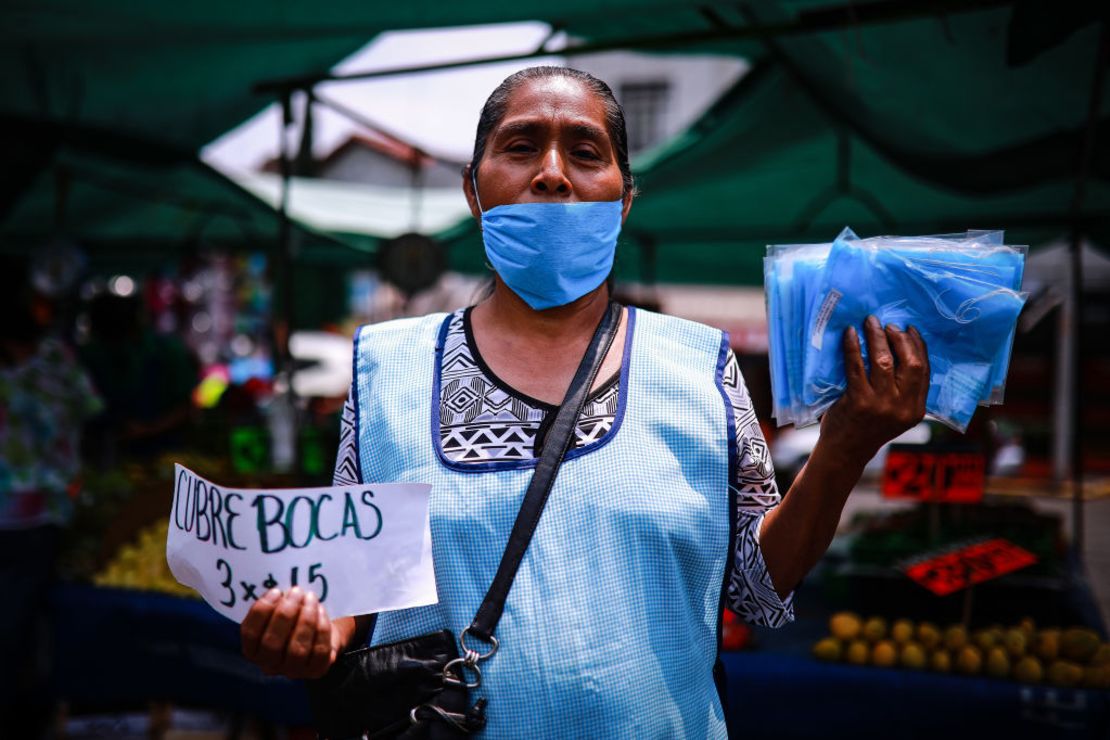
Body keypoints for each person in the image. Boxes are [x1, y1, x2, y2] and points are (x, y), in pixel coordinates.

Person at [239, 67, 929, 737]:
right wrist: (313, 632)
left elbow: (753, 585)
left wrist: (844, 448)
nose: (551, 172)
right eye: (519, 146)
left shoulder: (699, 363)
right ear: (474, 192)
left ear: (624, 199)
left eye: (585, 151)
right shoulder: (386, 368)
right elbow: (357, 590)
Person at [0, 256, 104, 734]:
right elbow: (93, 410)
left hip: (35, 511)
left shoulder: (50, 359)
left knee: (19, 620)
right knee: (22, 620)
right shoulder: (55, 359)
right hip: (42, 512)